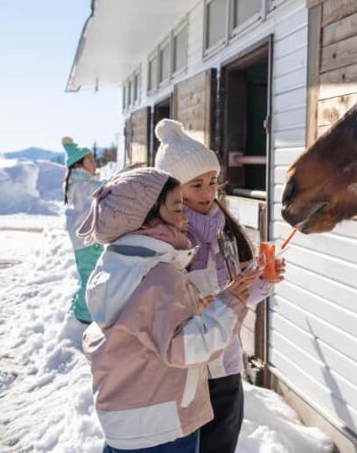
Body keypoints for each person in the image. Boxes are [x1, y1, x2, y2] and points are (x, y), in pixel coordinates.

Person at [78, 168, 260, 453]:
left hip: (125, 423)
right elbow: (190, 347)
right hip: (162, 426)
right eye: (177, 207)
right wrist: (231, 302)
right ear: (145, 219)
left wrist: (195, 309)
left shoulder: (117, 266)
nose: (184, 217)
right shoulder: (159, 275)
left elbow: (142, 327)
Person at [154, 119, 284, 453]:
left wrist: (261, 281)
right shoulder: (170, 241)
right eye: (196, 185)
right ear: (171, 190)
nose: (209, 192)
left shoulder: (224, 230)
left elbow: (235, 299)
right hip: (190, 372)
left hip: (226, 364)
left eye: (212, 182)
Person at [62, 136, 103, 323]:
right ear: (78, 165)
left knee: (87, 272)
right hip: (86, 239)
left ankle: (80, 305)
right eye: (90, 160)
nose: (95, 163)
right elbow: (105, 188)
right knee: (89, 274)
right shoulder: (83, 185)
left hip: (84, 238)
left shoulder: (79, 183)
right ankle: (83, 313)